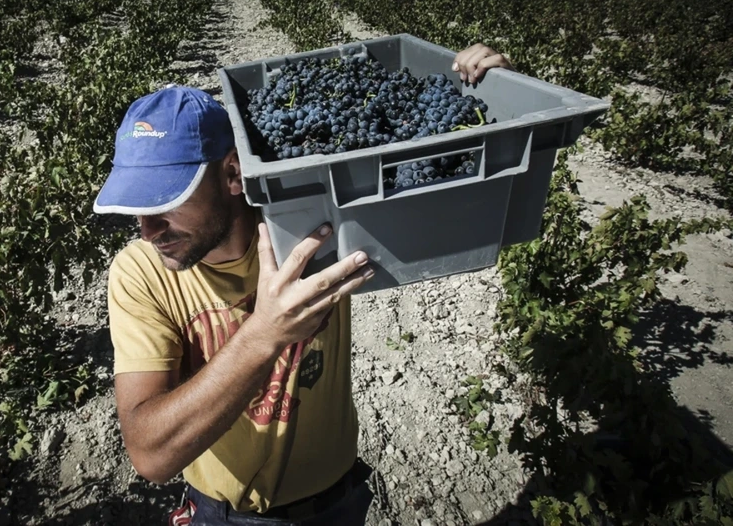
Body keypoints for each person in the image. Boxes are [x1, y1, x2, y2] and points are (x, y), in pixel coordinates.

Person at [92, 43, 514, 526]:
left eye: (166, 201)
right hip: (223, 515)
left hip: (338, 502)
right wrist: (263, 334)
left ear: (232, 173)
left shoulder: (313, 225)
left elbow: (442, 180)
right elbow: (150, 454)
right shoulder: (138, 274)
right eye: (135, 207)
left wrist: (486, 95)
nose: (147, 230)